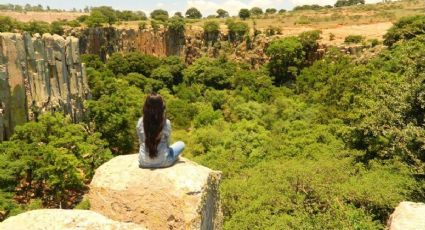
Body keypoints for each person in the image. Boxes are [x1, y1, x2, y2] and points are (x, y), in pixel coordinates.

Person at [137, 93, 185, 168]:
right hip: (163, 161)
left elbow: (141, 141)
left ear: (146, 107)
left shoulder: (140, 122)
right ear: (161, 107)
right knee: (181, 144)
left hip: (143, 162)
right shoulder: (166, 122)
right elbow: (168, 143)